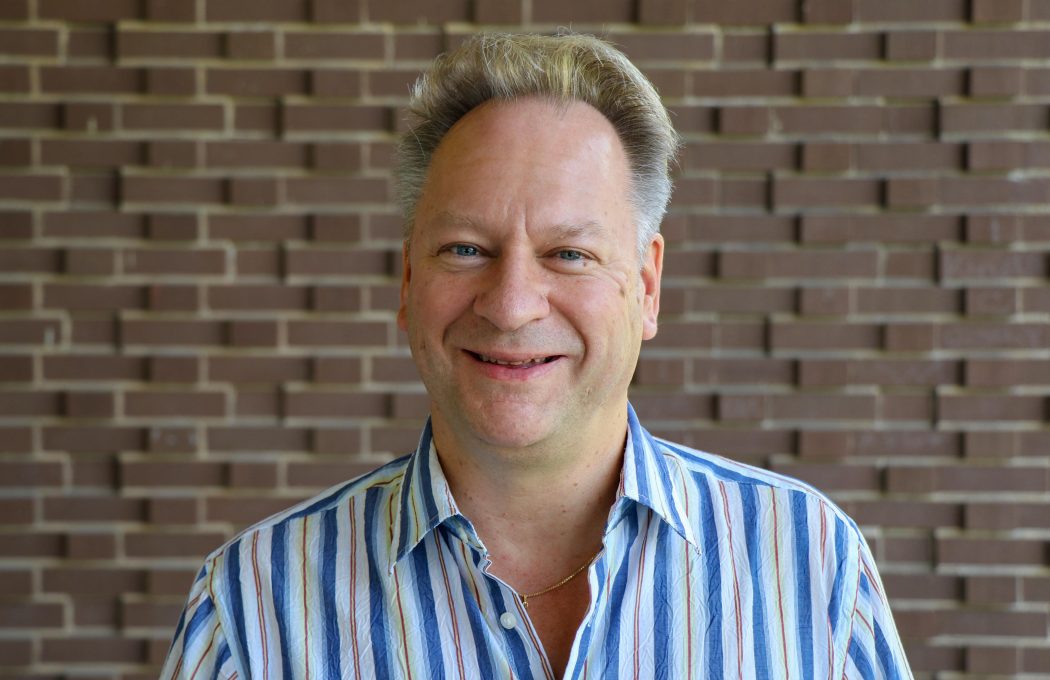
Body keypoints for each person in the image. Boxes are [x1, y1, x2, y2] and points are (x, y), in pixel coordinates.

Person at [161, 33, 912, 679]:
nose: (513, 303)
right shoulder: (257, 610)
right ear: (409, 280)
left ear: (646, 286)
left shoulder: (809, 568)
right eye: (466, 249)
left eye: (568, 253)